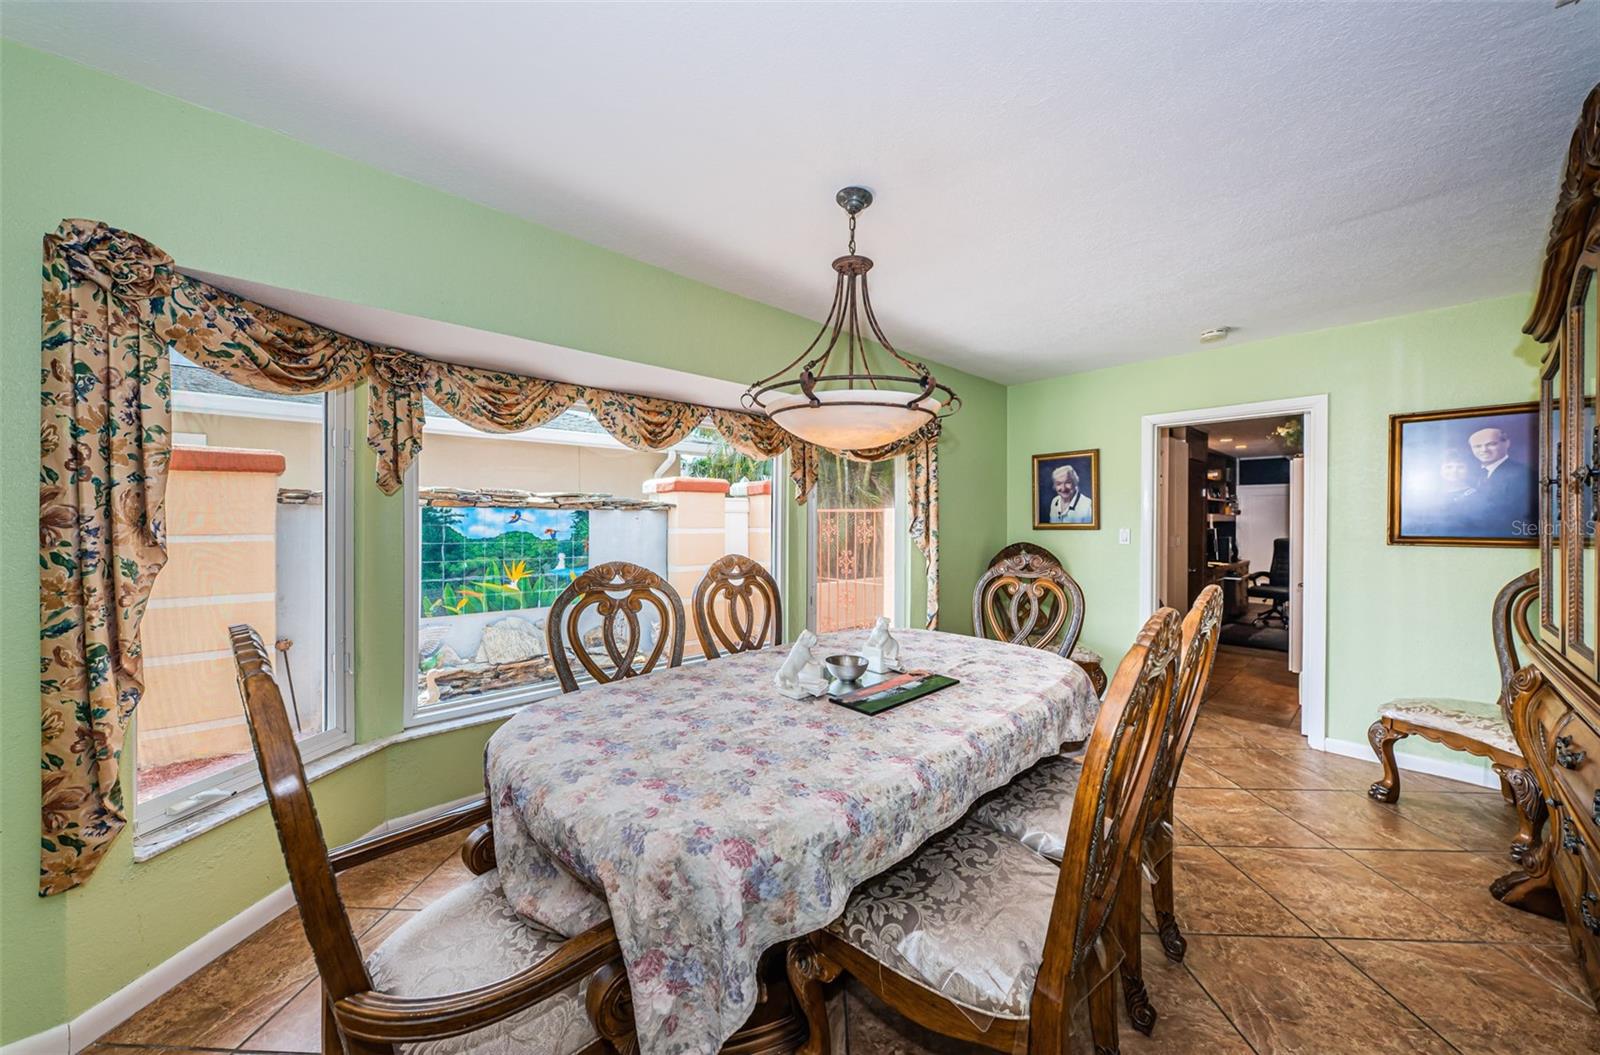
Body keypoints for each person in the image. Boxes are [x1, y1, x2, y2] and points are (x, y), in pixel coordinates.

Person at [1460, 426, 1536, 536]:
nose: (1484, 450)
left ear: (1507, 443)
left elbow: (1520, 517)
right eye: (1477, 446)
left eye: (1491, 444)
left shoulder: (1522, 474)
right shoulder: (1474, 473)